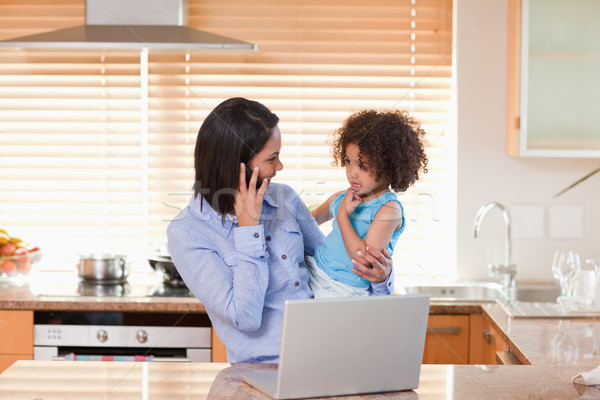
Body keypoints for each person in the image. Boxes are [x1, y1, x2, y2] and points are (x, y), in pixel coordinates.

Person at [167, 97, 395, 363]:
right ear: (236, 165)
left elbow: (332, 268)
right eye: (272, 158)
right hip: (265, 370)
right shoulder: (187, 233)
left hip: (332, 353)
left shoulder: (284, 198)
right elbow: (245, 318)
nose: (280, 167)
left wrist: (382, 280)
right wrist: (248, 228)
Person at [308, 110, 428, 298]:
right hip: (315, 272)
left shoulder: (388, 210)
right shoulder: (343, 196)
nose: (352, 173)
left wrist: (342, 217)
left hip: (343, 290)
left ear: (388, 167)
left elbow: (363, 259)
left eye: (362, 166)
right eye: (348, 161)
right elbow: (310, 220)